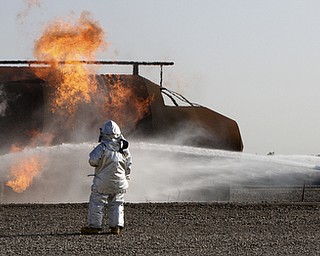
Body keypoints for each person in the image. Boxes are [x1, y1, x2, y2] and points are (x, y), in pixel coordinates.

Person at [81, 120, 132, 235]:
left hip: (102, 182)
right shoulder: (124, 149)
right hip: (120, 182)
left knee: (97, 202)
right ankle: (116, 227)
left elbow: (92, 161)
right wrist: (125, 176)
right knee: (117, 202)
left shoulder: (102, 148)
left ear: (103, 133)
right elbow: (129, 164)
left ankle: (94, 227)